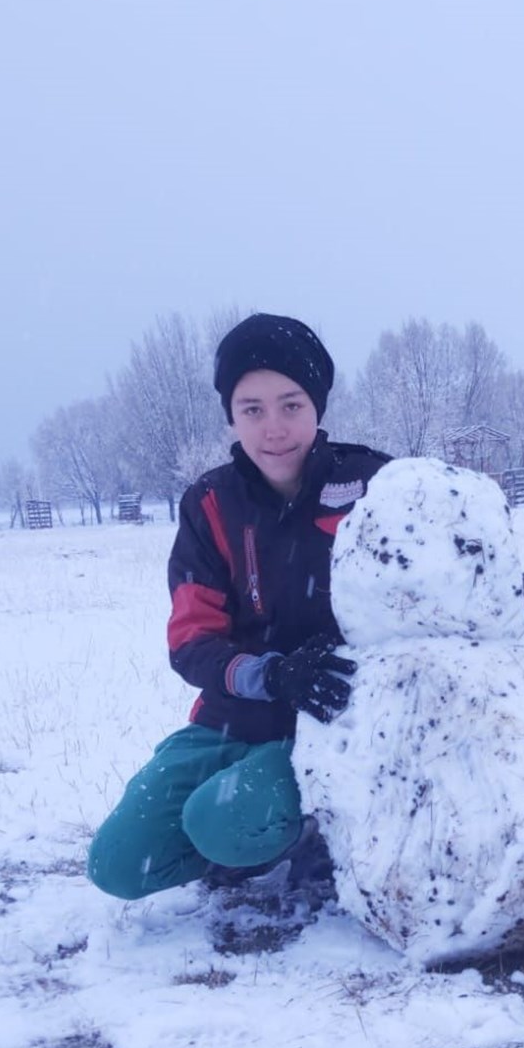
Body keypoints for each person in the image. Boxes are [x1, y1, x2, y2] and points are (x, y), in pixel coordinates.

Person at [87, 313, 390, 901]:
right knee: (119, 865)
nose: (274, 427)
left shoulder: (374, 482)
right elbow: (191, 639)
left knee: (221, 822)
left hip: (332, 728)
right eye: (252, 408)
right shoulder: (209, 503)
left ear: (317, 406)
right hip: (232, 716)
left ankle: (317, 828)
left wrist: (511, 591)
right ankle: (244, 833)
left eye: (291, 404)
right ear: (231, 415)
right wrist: (270, 674)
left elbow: (451, 559)